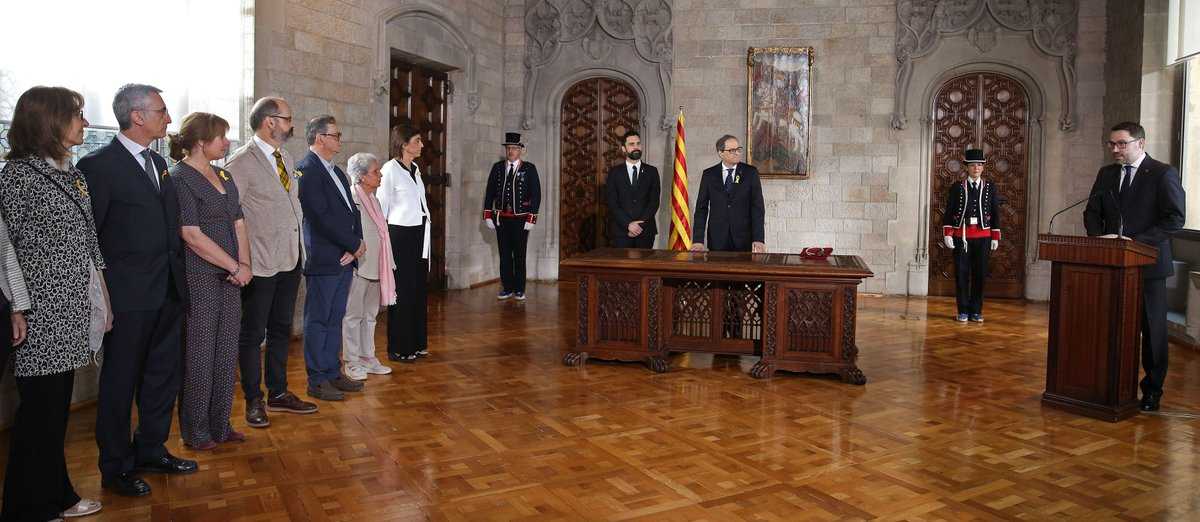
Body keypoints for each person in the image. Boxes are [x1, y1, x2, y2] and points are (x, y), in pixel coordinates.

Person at [77, 83, 196, 498]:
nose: (168, 118)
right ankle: (116, 465)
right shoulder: (98, 165)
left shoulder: (160, 163)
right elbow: (92, 236)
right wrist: (105, 296)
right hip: (127, 296)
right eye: (162, 111)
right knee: (119, 382)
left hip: (167, 289)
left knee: (162, 376)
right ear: (138, 116)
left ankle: (151, 447)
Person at [0, 85, 104, 520]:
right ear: (50, 121)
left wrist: (102, 296)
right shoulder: (16, 177)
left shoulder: (73, 173)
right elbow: (5, 250)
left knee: (55, 413)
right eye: (76, 115)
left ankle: (56, 494)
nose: (83, 122)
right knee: (39, 415)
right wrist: (16, 305)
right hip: (39, 313)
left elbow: (89, 239)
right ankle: (26, 507)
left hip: (73, 308)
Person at [225, 97, 318, 426]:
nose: (292, 124)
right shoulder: (240, 163)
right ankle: (254, 400)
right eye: (288, 119)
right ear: (270, 122)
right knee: (252, 334)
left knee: (282, 329)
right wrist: (241, 261)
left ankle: (279, 392)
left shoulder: (287, 157)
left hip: (290, 258)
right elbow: (229, 216)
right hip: (260, 263)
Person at [1084, 121, 1186, 412]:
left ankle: (1152, 390)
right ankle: (1109, 383)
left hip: (1149, 265)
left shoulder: (1162, 173)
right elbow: (1092, 211)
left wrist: (1134, 242)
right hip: (1111, 262)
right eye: (1111, 144)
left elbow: (1174, 219)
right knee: (1110, 325)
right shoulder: (1107, 174)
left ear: (1140, 144)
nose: (1115, 149)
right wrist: (1098, 239)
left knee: (1152, 332)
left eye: (1121, 144)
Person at [169, 112, 252, 449]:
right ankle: (196, 431)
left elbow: (239, 224)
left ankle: (221, 424)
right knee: (200, 354)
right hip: (201, 275)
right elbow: (191, 234)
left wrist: (245, 264)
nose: (227, 142)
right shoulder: (179, 178)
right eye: (221, 137)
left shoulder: (225, 175)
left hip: (233, 276)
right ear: (201, 142)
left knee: (226, 350)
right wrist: (234, 266)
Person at [296, 115, 364, 401]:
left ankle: (333, 372)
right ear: (320, 138)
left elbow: (353, 211)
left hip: (345, 257)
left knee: (335, 318)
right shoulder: (306, 170)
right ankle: (317, 379)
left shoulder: (337, 172)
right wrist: (349, 244)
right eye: (335, 135)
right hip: (325, 258)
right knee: (318, 319)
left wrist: (356, 244)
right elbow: (319, 216)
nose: (339, 140)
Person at [378, 125, 431, 362]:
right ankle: (399, 347)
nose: (421, 145)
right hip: (400, 236)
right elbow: (381, 208)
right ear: (404, 144)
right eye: (417, 140)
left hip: (420, 234)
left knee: (418, 291)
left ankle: (417, 343)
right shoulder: (389, 170)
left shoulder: (416, 169)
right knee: (403, 292)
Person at [342, 152, 395, 379]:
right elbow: (347, 231)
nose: (380, 175)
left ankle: (367, 356)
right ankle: (351, 361)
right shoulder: (352, 197)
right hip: (359, 265)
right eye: (375, 172)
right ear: (362, 176)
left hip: (377, 263)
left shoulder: (374, 198)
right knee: (353, 315)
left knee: (370, 314)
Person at [941, 148, 1001, 323]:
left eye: (980, 165)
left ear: (983, 168)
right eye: (973, 165)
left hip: (983, 238)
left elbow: (996, 213)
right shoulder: (957, 187)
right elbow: (949, 212)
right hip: (962, 237)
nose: (976, 168)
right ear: (966, 167)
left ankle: (976, 311)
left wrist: (995, 237)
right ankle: (963, 311)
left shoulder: (990, 187)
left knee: (980, 274)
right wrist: (948, 234)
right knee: (961, 274)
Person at [482, 132, 541, 300]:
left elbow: (536, 195)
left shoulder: (529, 168)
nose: (511, 151)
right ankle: (507, 287)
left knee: (520, 254)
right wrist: (487, 214)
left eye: (514, 148)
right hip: (502, 218)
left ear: (520, 150)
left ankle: (520, 288)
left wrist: (532, 218)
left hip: (521, 219)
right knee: (505, 254)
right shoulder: (498, 168)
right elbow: (490, 192)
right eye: (508, 148)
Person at [690, 134, 766, 253]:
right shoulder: (709, 175)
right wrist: (698, 240)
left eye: (738, 149)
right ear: (720, 153)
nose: (737, 153)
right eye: (732, 150)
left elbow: (757, 208)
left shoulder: (750, 173)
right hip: (717, 239)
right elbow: (701, 209)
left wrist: (759, 239)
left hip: (744, 239)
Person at [606, 130, 660, 248]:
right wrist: (628, 224)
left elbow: (654, 202)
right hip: (621, 232)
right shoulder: (614, 173)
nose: (636, 147)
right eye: (631, 144)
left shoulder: (652, 172)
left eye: (638, 143)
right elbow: (612, 203)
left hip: (645, 232)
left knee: (644, 267)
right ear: (624, 149)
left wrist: (639, 225)